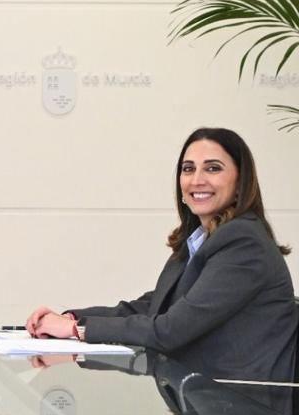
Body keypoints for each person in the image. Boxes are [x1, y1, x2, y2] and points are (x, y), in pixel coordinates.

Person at [25, 127, 297, 378]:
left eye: (213, 168)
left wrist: (75, 331)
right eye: (188, 169)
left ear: (240, 183)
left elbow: (170, 330)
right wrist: (70, 318)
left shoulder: (243, 243)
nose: (197, 180)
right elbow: (152, 307)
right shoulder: (200, 240)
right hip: (200, 405)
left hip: (244, 414)